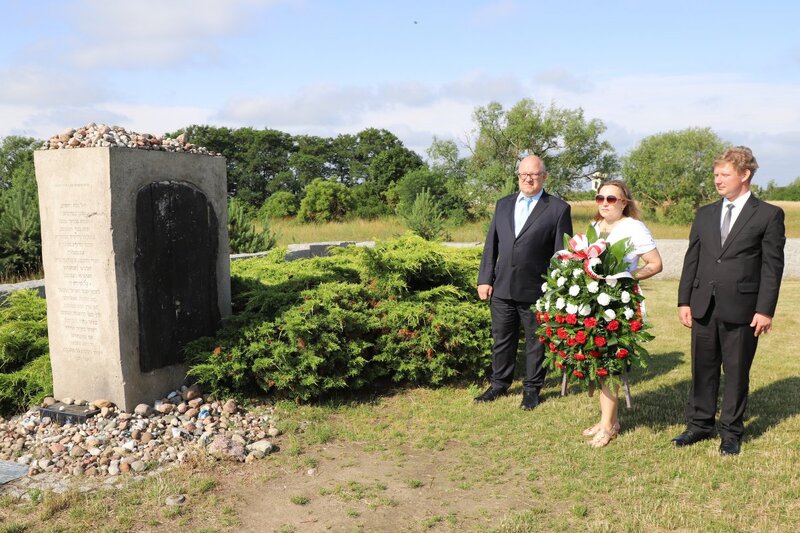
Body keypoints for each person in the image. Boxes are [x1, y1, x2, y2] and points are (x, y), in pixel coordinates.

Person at [674, 146, 785, 456]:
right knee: (703, 368)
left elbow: (772, 267)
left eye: (724, 174)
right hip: (703, 305)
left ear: (745, 175)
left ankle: (731, 432)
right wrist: (684, 300)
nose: (717, 180)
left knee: (736, 372)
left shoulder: (768, 215)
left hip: (744, 309)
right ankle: (699, 424)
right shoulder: (705, 213)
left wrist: (765, 310)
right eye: (715, 175)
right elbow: (691, 259)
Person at [475, 155, 573, 410]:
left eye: (534, 174)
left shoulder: (558, 208)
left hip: (537, 290)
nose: (528, 178)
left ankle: (531, 390)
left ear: (544, 177)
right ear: (518, 176)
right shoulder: (503, 204)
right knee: (502, 339)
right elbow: (491, 245)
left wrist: (557, 289)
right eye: (523, 174)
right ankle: (499, 384)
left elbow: (561, 254)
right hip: (502, 287)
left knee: (535, 342)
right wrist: (485, 279)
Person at [584, 179, 663, 447]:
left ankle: (608, 426)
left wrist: (624, 277)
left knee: (610, 363)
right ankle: (608, 419)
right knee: (599, 358)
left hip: (618, 304)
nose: (605, 203)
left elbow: (655, 264)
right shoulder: (596, 226)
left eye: (611, 199)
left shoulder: (634, 228)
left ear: (624, 202)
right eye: (600, 198)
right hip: (595, 302)